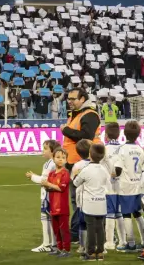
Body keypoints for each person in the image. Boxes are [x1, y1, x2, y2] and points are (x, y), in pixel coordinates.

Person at [62, 88, 102, 241]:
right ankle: (80, 231)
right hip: (74, 162)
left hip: (83, 163)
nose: (70, 101)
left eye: (73, 99)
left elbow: (86, 136)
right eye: (69, 99)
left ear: (83, 99)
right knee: (76, 200)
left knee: (80, 200)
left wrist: (66, 130)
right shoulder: (77, 114)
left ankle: (79, 232)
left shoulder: (89, 114)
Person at [74, 143, 110, 261]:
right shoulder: (104, 170)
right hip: (101, 203)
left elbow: (76, 183)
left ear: (90, 154)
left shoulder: (86, 170)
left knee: (90, 228)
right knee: (100, 228)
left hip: (89, 204)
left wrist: (76, 175)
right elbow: (108, 184)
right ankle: (100, 252)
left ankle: (90, 252)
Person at [26, 139, 62, 253]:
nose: (43, 151)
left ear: (52, 151)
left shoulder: (49, 164)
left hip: (48, 195)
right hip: (54, 195)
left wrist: (32, 177)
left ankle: (47, 244)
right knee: (51, 219)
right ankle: (53, 243)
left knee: (46, 218)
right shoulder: (56, 163)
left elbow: (44, 181)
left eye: (45, 149)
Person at [117, 120, 144, 252]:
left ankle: (131, 243)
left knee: (126, 214)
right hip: (138, 186)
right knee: (138, 213)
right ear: (138, 134)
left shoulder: (122, 149)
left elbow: (118, 169)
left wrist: (113, 175)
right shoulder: (140, 149)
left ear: (124, 133)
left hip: (125, 186)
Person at [40, 147, 72, 258]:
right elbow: (49, 188)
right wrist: (45, 185)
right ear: (53, 159)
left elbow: (61, 188)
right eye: (58, 157)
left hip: (62, 207)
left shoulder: (65, 173)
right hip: (53, 206)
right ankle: (59, 248)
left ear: (66, 160)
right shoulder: (51, 174)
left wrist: (48, 185)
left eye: (63, 157)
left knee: (64, 230)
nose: (60, 159)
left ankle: (66, 250)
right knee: (56, 230)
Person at [102, 122, 123, 251]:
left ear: (106, 135)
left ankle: (109, 242)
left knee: (109, 213)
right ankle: (123, 240)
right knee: (119, 213)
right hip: (121, 186)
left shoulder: (103, 149)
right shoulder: (123, 148)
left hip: (108, 186)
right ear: (118, 135)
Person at [71, 139, 93, 257]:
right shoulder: (96, 164)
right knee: (95, 222)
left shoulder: (77, 165)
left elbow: (74, 181)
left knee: (82, 223)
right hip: (94, 197)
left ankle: (82, 246)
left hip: (81, 198)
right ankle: (96, 245)